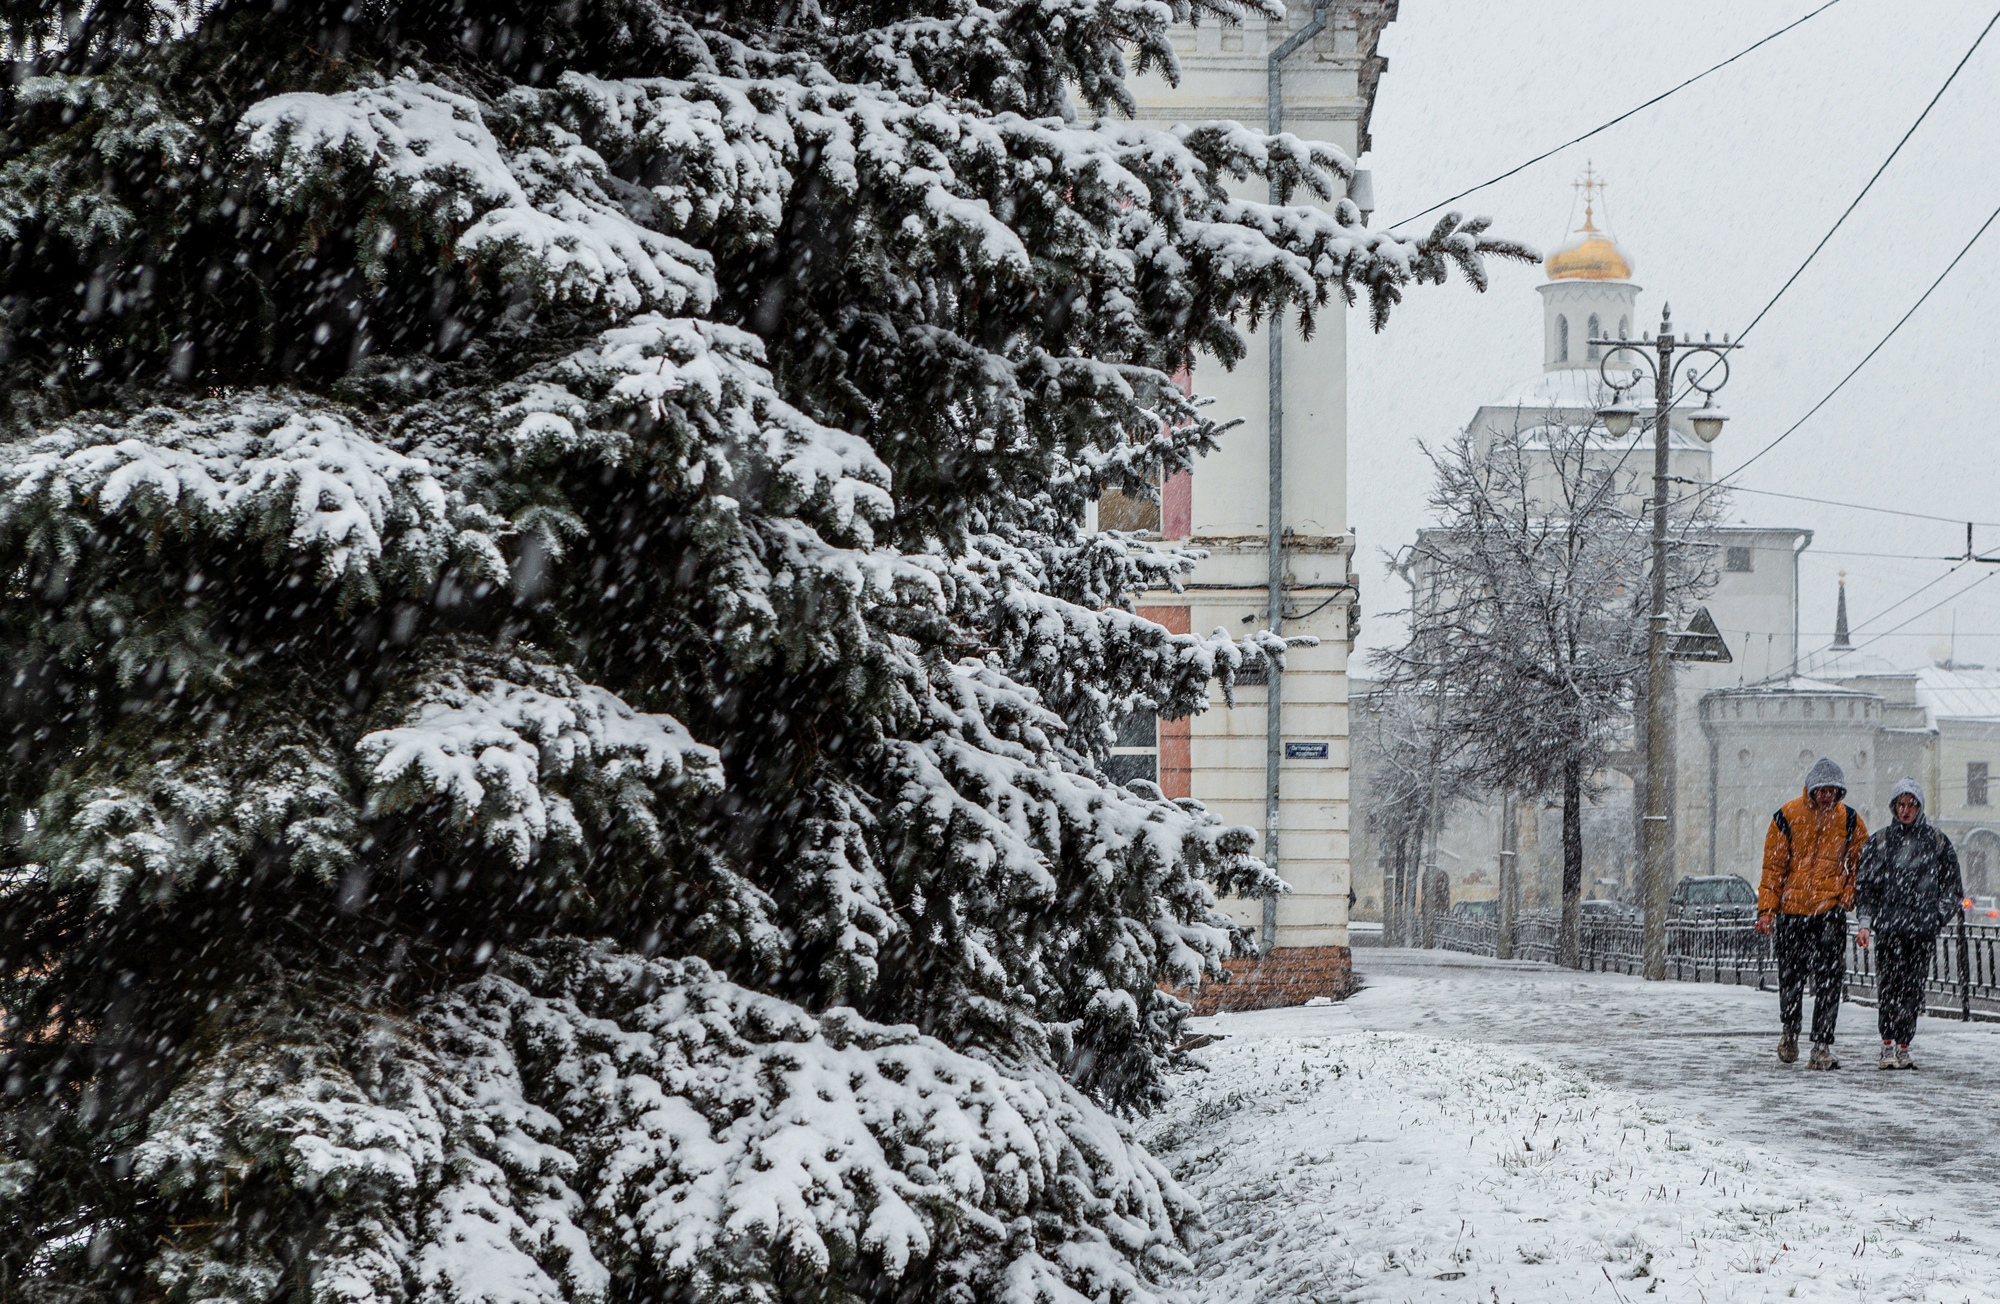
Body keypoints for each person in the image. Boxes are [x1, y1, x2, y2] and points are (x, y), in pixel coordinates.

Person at [1757, 757, 1867, 1069]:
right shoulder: (1787, 816)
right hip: (1792, 911)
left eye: (1833, 790)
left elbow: (1862, 861)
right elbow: (1773, 868)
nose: (1827, 795)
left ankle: (1821, 1045)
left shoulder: (1849, 820)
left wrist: (1849, 891)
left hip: (1829, 911)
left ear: (1839, 791)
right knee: (1790, 978)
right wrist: (1767, 910)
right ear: (1811, 789)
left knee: (1830, 979)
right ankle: (1790, 1031)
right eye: (1822, 789)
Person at [1855, 778, 1962, 1070]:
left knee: (1912, 990)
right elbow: (1866, 887)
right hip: (1890, 928)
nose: (1905, 811)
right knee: (1889, 987)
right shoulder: (1880, 842)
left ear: (1919, 807)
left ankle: (1904, 1044)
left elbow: (1953, 888)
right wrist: (1866, 921)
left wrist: (1936, 916)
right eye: (1901, 805)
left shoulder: (1936, 842)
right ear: (1894, 807)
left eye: (1911, 805)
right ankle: (1887, 1043)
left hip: (1920, 929)